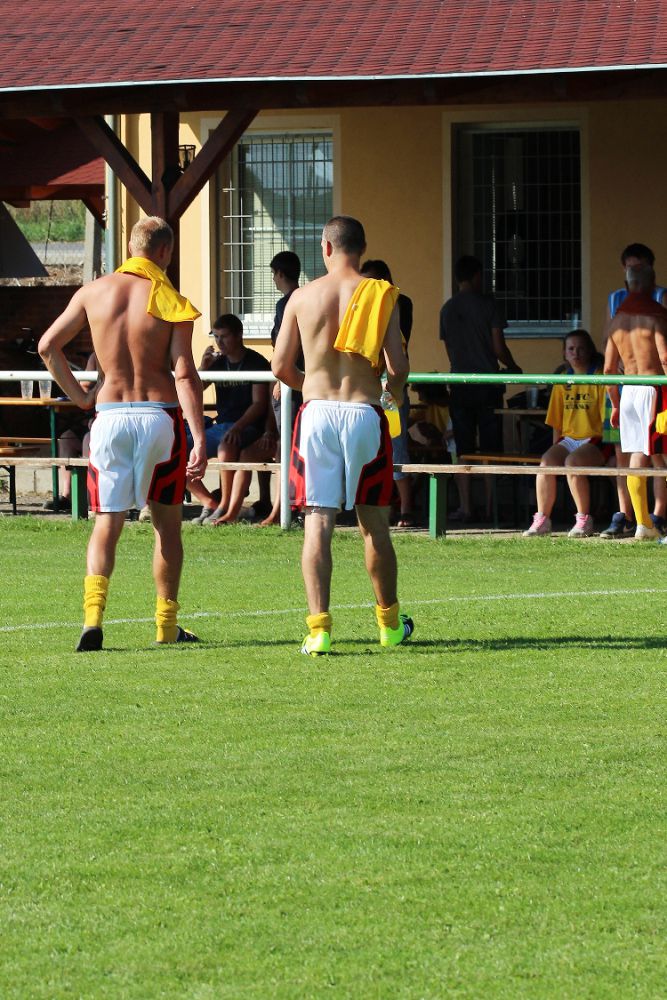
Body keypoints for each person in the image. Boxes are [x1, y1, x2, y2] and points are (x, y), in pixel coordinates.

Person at [38, 216, 207, 651]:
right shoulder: (170, 299)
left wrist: (81, 396)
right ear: (165, 252)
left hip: (110, 415)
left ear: (131, 248)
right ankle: (166, 626)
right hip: (160, 416)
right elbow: (184, 374)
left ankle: (93, 619)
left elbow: (47, 346)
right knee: (167, 526)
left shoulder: (93, 292)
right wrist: (199, 436)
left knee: (106, 522)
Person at [271, 215, 413, 655]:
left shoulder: (301, 297)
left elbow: (279, 367)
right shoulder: (381, 293)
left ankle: (319, 631)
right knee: (375, 526)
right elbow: (398, 367)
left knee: (318, 521)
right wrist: (392, 395)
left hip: (316, 414)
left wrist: (311, 388)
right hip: (364, 412)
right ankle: (389, 624)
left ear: (326, 247)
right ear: (362, 249)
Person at [439, 255, 522, 520]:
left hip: (459, 384)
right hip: (487, 384)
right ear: (477, 276)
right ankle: (490, 508)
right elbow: (498, 347)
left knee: (463, 449)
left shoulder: (447, 309)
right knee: (490, 449)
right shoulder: (488, 305)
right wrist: (514, 367)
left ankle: (465, 507)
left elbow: (450, 351)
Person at [600, 243, 667, 538]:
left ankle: (644, 524)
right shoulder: (657, 316)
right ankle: (647, 523)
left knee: (635, 456)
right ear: (653, 284)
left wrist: (615, 404)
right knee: (655, 455)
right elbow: (665, 358)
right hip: (655, 390)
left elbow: (607, 370)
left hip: (628, 392)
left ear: (627, 285)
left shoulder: (617, 321)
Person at [187, 314, 271, 524]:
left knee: (226, 446)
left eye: (224, 336)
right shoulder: (217, 363)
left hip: (248, 426)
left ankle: (224, 506)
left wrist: (238, 427)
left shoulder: (256, 362)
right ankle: (209, 502)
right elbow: (193, 390)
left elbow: (259, 404)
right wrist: (203, 368)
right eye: (216, 337)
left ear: (239, 335)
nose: (219, 342)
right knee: (178, 447)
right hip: (221, 425)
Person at [523, 330, 607, 538]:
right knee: (546, 462)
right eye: (571, 349)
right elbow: (556, 421)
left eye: (581, 348)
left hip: (594, 438)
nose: (575, 353)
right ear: (564, 353)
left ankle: (584, 519)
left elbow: (607, 420)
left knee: (572, 462)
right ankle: (542, 519)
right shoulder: (562, 380)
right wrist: (555, 449)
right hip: (569, 439)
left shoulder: (599, 376)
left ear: (590, 351)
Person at [360, 258, 415, 527]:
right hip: (367, 387)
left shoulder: (399, 303)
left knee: (397, 445)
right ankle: (385, 503)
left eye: (370, 281)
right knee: (373, 450)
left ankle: (406, 508)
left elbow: (395, 349)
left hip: (390, 387)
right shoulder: (362, 304)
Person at [259, 250, 302, 527]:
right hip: (305, 380)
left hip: (291, 383)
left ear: (280, 274)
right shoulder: (307, 298)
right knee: (292, 446)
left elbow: (285, 345)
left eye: (274, 274)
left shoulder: (287, 303)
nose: (274, 279)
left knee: (287, 447)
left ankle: (284, 508)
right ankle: (286, 507)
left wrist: (280, 379)